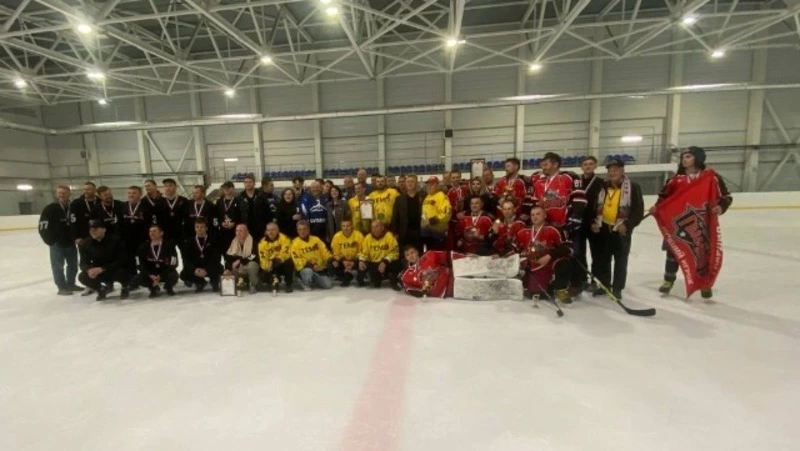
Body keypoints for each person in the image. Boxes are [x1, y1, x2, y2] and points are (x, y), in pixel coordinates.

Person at [650, 146, 733, 298]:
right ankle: (668, 280)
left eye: (688, 156)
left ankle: (705, 284)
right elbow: (664, 198)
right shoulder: (675, 180)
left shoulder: (710, 178)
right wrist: (657, 207)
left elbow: (726, 197)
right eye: (683, 157)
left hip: (702, 223)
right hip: (678, 223)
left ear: (698, 158)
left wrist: (720, 207)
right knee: (673, 251)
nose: (684, 159)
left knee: (703, 254)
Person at [590, 159, 644, 300]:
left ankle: (617, 288)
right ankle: (604, 285)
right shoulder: (602, 187)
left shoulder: (633, 187)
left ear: (622, 170)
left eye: (616, 169)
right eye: (610, 170)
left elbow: (638, 211)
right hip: (603, 228)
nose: (612, 172)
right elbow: (594, 206)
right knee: (603, 260)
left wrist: (627, 225)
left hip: (621, 230)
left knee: (620, 261)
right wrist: (594, 222)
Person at [516, 205, 573, 304]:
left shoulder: (554, 230)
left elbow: (568, 248)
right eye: (532, 215)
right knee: (538, 294)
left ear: (545, 215)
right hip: (533, 266)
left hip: (550, 263)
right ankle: (549, 287)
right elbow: (516, 249)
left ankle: (560, 289)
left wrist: (550, 255)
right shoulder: (523, 231)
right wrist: (523, 260)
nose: (535, 217)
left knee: (564, 262)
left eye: (538, 214)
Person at [530, 152, 586, 232]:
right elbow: (535, 203)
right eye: (542, 165)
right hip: (545, 226)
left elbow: (580, 199)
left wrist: (574, 219)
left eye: (546, 165)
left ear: (555, 164)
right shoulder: (539, 183)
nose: (543, 168)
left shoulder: (569, 177)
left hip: (566, 225)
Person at [39, 185, 79, 295]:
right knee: (58, 266)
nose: (62, 195)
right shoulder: (50, 208)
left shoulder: (73, 207)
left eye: (64, 193)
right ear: (56, 194)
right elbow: (43, 226)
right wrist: (50, 241)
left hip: (70, 242)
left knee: (73, 264)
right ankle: (61, 287)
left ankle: (71, 284)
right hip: (57, 243)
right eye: (60, 193)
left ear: (69, 194)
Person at [79, 219, 129, 301]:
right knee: (82, 276)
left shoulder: (116, 240)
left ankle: (125, 287)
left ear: (104, 230)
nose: (93, 232)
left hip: (114, 269)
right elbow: (83, 263)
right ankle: (101, 289)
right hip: (98, 272)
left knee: (126, 271)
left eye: (95, 229)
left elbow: (122, 260)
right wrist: (88, 270)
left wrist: (103, 268)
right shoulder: (86, 244)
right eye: (91, 230)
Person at [576, 156, 604, 290]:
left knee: (596, 254)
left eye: (591, 164)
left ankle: (595, 280)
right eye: (585, 164)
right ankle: (582, 278)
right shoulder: (577, 181)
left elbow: (602, 204)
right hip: (579, 222)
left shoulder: (600, 183)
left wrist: (596, 221)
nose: (588, 166)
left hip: (593, 223)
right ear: (581, 166)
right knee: (579, 253)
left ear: (595, 166)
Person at [120, 186, 154, 289]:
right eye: (129, 193)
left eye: (134, 193)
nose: (131, 195)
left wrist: (150, 238)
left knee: (145, 261)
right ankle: (133, 281)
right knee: (130, 261)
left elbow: (150, 224)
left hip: (143, 239)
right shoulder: (123, 206)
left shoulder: (147, 207)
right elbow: (119, 224)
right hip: (128, 240)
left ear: (140, 194)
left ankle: (149, 280)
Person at [70, 181, 99, 295]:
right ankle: (89, 284)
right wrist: (76, 237)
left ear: (94, 190)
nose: (86, 191)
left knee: (100, 259)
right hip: (83, 239)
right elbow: (72, 222)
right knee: (85, 261)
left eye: (89, 189)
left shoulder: (99, 201)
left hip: (98, 237)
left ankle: (105, 283)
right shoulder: (76, 203)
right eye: (85, 189)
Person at [137, 224, 179, 298]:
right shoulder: (143, 246)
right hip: (152, 274)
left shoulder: (169, 245)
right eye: (150, 231)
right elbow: (140, 264)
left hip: (165, 272)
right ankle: (153, 288)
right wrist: (150, 275)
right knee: (139, 278)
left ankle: (168, 287)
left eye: (154, 231)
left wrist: (161, 275)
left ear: (161, 233)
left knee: (173, 275)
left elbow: (173, 263)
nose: (152, 233)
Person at [180, 218, 222, 293]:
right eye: (197, 227)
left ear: (206, 228)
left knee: (219, 268)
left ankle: (214, 282)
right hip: (197, 267)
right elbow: (186, 259)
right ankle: (200, 282)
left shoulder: (213, 240)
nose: (199, 229)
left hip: (209, 266)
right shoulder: (189, 242)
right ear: (194, 228)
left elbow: (216, 258)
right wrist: (194, 269)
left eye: (202, 227)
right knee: (183, 274)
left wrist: (206, 269)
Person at [358, 219, 401, 290]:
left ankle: (393, 279)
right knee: (376, 283)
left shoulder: (389, 236)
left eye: (376, 227)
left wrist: (385, 261)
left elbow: (395, 252)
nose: (374, 229)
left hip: (386, 263)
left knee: (397, 263)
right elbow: (364, 252)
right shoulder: (368, 237)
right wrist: (361, 260)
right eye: (372, 227)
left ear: (382, 227)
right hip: (374, 263)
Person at [291, 220, 333, 290]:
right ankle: (301, 280)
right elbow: (297, 260)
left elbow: (325, 252)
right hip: (305, 269)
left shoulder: (316, 239)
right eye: (300, 229)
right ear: (297, 231)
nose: (302, 231)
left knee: (328, 285)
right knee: (308, 271)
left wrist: (331, 259)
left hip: (318, 269)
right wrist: (311, 265)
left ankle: (312, 279)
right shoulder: (294, 243)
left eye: (304, 229)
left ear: (308, 230)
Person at [391, 174, 425, 255]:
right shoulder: (399, 199)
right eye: (408, 182)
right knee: (405, 254)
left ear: (416, 183)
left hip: (419, 231)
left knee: (419, 254)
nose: (410, 183)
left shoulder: (423, 196)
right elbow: (395, 217)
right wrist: (395, 232)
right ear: (405, 184)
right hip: (405, 232)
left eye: (412, 181)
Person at [222, 224, 260, 294]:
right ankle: (233, 287)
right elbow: (228, 257)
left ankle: (253, 285)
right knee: (227, 272)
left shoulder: (253, 242)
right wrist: (228, 269)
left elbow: (253, 256)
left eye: (241, 231)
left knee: (252, 265)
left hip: (248, 265)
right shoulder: (233, 242)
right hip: (238, 268)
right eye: (237, 231)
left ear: (247, 232)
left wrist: (240, 261)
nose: (238, 233)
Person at [258, 223, 295, 293]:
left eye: (273, 230)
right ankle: (274, 282)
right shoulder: (262, 243)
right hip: (271, 266)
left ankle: (289, 284)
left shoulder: (285, 238)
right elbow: (263, 258)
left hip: (282, 263)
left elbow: (286, 254)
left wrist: (274, 261)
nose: (270, 232)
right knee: (264, 275)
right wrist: (267, 267)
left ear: (277, 231)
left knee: (289, 262)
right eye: (268, 230)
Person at [420, 176, 451, 251]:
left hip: (437, 233)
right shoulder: (427, 197)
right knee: (428, 253)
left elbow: (446, 214)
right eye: (428, 184)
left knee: (437, 254)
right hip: (426, 232)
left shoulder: (442, 196)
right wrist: (424, 222)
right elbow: (424, 212)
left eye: (432, 184)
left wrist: (431, 221)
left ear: (437, 185)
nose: (429, 186)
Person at [330, 219, 364, 287]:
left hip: (355, 260)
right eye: (343, 226)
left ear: (352, 226)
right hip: (343, 261)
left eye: (348, 226)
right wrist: (343, 261)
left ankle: (355, 274)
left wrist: (354, 261)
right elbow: (336, 253)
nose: (346, 228)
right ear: (341, 227)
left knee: (363, 261)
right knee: (332, 263)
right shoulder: (336, 237)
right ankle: (345, 276)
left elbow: (363, 251)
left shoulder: (359, 235)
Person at [155, 178, 188, 243]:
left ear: (175, 187)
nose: (168, 188)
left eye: (170, 185)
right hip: (165, 234)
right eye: (166, 186)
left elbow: (187, 217)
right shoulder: (159, 201)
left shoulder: (183, 200)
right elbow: (157, 219)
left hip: (180, 233)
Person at [216, 181, 243, 253]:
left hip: (236, 231)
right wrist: (221, 223)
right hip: (223, 232)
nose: (227, 190)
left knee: (236, 251)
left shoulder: (239, 201)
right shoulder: (219, 202)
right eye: (225, 188)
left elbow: (242, 216)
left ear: (233, 189)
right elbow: (217, 216)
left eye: (228, 188)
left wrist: (235, 223)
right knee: (225, 251)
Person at [238, 175, 265, 240]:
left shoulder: (261, 195)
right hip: (246, 226)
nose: (248, 184)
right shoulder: (240, 196)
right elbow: (238, 213)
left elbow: (266, 211)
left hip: (260, 226)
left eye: (250, 182)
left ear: (254, 183)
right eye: (246, 182)